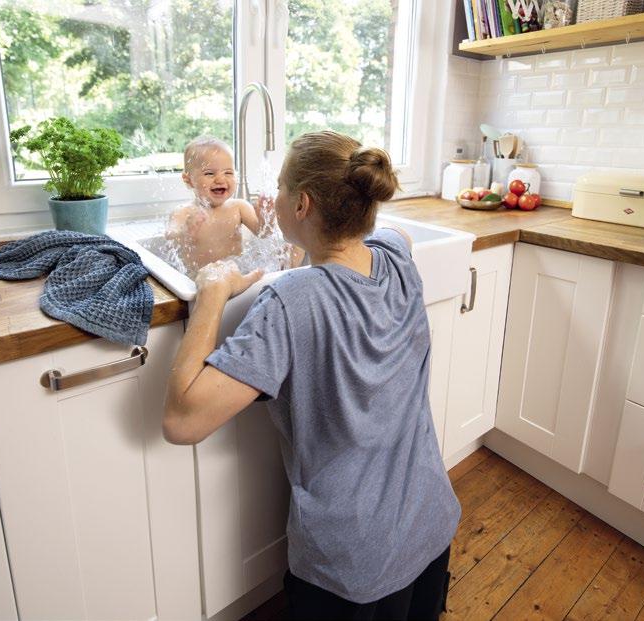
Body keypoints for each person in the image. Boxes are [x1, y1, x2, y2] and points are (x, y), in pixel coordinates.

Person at [163, 131, 461, 621]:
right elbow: (396, 236)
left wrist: (213, 295)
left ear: (301, 204)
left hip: (354, 565)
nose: (272, 198)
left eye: (279, 188)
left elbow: (182, 421)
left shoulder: (290, 300)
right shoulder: (395, 257)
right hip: (431, 521)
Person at [165, 136, 262, 274]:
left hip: (236, 277)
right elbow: (170, 237)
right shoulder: (183, 212)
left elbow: (262, 233)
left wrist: (265, 218)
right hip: (199, 280)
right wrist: (186, 232)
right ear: (188, 180)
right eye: (209, 173)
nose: (220, 179)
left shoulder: (239, 207)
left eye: (228, 172)